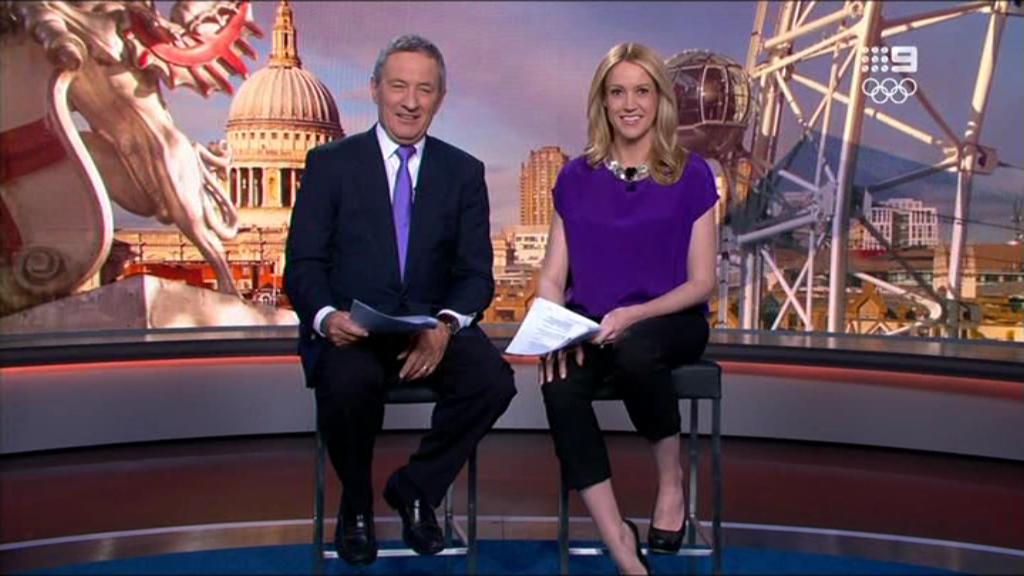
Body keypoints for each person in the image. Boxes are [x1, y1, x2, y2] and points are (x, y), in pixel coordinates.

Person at [284, 34, 516, 567]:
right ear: (374, 89)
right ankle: (356, 505)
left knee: (492, 381)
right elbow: (304, 264)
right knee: (348, 383)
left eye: (424, 90)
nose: (410, 102)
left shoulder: (464, 172)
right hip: (355, 330)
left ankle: (415, 489)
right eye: (398, 86)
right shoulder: (330, 164)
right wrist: (326, 317)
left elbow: (475, 275)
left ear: (440, 98)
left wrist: (446, 325)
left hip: (430, 325)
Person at [536, 42, 719, 575]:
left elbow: (702, 282)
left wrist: (634, 315)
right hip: (592, 326)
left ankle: (670, 482)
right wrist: (554, 330)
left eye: (642, 91)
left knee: (637, 351)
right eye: (617, 92)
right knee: (558, 385)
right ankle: (618, 538)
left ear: (661, 99)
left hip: (670, 321)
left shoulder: (691, 173)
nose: (630, 103)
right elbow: (552, 275)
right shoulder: (575, 176)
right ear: (603, 101)